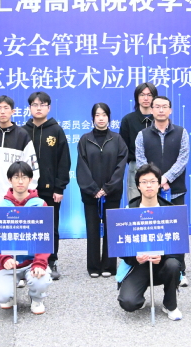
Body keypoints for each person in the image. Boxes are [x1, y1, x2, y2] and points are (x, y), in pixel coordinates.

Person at [116, 163, 183, 321]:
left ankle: (170, 305)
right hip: (138, 264)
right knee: (128, 303)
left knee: (173, 264)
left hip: (163, 264)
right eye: (144, 182)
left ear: (159, 184)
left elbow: (179, 249)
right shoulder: (128, 211)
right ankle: (139, 298)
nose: (148, 185)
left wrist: (163, 256)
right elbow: (122, 248)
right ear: (138, 186)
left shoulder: (171, 210)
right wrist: (135, 258)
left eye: (153, 181)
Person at [135, 95, 190, 285]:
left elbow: (183, 159)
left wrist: (166, 179)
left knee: (177, 232)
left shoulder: (182, 132)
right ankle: (150, 269)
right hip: (151, 194)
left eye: (164, 106)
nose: (160, 110)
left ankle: (180, 271)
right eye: (157, 106)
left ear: (170, 110)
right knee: (152, 230)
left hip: (175, 191)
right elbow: (141, 162)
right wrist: (156, 182)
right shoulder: (142, 135)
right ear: (151, 110)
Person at [0, 162, 52, 315]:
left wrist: (40, 263)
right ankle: (9, 295)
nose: (20, 181)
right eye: (16, 177)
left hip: (32, 262)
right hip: (10, 265)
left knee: (41, 281)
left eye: (24, 177)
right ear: (10, 180)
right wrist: (4, 259)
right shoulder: (1, 206)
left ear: (30, 179)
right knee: (2, 294)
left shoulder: (40, 204)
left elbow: (45, 239)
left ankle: (36, 298)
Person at [76, 103, 128, 278]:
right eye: (97, 115)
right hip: (90, 194)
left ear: (109, 117)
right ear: (92, 118)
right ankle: (93, 267)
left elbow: (121, 166)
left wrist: (107, 188)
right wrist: (93, 189)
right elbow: (81, 167)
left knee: (110, 229)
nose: (101, 118)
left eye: (104, 115)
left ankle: (109, 266)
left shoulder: (117, 139)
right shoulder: (85, 139)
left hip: (112, 193)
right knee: (92, 230)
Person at [23, 91, 71, 280]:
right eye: (35, 105)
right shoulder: (23, 131)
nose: (38, 108)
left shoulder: (56, 130)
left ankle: (51, 261)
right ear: (29, 108)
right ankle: (28, 261)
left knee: (51, 227)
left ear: (49, 108)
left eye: (42, 105)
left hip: (50, 190)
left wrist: (59, 188)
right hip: (26, 190)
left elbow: (64, 161)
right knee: (28, 226)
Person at [0, 95, 39, 207]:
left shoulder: (22, 136)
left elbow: (32, 167)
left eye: (6, 108)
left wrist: (28, 193)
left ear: (13, 111)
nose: (2, 112)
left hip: (17, 199)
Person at [118, 82, 158, 200]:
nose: (146, 98)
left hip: (158, 166)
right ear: (136, 97)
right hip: (135, 167)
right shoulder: (128, 120)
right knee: (135, 204)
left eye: (149, 95)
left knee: (158, 206)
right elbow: (123, 148)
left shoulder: (160, 119)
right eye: (142, 95)